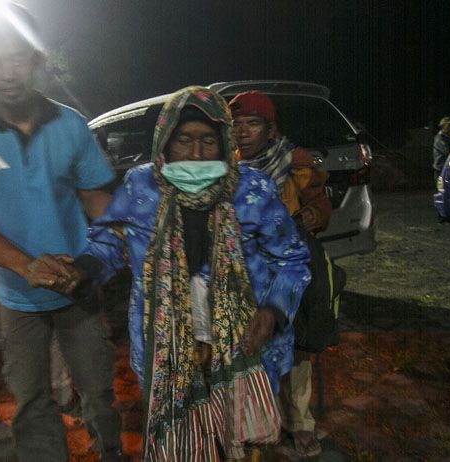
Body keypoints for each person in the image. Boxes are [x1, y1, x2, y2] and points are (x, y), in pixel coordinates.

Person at [67, 86, 311, 461]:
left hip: (243, 345)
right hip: (167, 352)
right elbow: (108, 242)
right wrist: (82, 270)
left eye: (208, 142)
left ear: (224, 144)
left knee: (240, 444)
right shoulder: (141, 186)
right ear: (164, 141)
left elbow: (292, 260)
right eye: (184, 140)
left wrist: (273, 311)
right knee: (183, 447)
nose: (196, 154)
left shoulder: (252, 190)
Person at [0, 4, 121, 461]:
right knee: (32, 402)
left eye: (17, 58)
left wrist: (105, 253)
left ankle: (111, 453)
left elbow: (96, 199)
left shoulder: (71, 125)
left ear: (37, 60)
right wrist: (27, 267)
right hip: (17, 296)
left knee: (98, 390)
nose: (7, 72)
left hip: (78, 285)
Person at [230, 91, 332, 458]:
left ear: (270, 129)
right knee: (252, 347)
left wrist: (304, 220)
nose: (243, 132)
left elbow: (320, 206)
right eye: (237, 125)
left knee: (297, 348)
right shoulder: (228, 167)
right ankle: (259, 420)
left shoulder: (293, 162)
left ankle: (300, 422)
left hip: (288, 271)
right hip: (248, 274)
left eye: (252, 124)